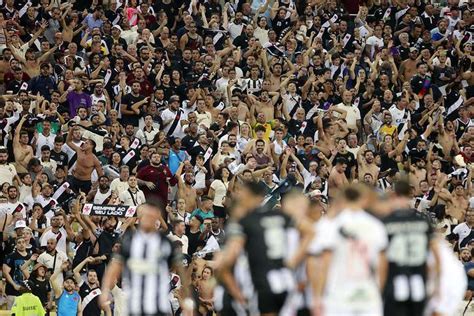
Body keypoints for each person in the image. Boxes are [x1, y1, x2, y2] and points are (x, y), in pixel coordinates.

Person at [99, 202, 194, 315]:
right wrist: (105, 290)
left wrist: (187, 297)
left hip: (158, 304)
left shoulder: (165, 242)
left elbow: (179, 266)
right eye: (145, 216)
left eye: (151, 216)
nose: (148, 219)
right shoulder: (130, 241)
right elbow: (115, 266)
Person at [219, 181, 295, 315]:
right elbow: (308, 233)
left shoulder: (246, 222)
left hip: (259, 285)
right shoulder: (280, 216)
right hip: (285, 281)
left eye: (243, 195)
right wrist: (291, 263)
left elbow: (225, 264)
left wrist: (238, 295)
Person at [382, 180, 441, 316]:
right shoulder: (423, 221)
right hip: (418, 285)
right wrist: (436, 285)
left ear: (393, 195)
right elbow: (436, 256)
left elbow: (381, 259)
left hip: (394, 284)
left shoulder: (386, 222)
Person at [66, 126, 104, 194]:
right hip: (74, 179)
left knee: (83, 200)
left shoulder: (94, 159)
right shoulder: (79, 150)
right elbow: (68, 142)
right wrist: (71, 130)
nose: (84, 144)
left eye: (86, 143)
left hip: (85, 182)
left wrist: (95, 185)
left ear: (91, 146)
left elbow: (100, 175)